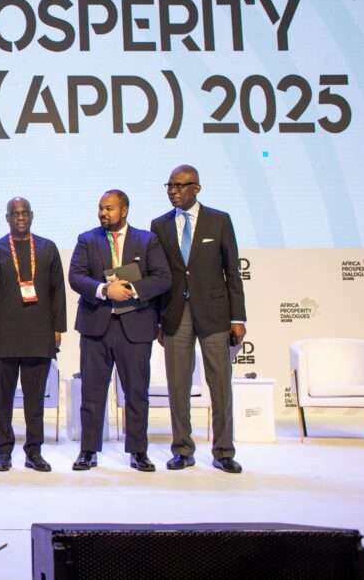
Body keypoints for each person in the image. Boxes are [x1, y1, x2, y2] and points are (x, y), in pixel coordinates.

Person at [150, 165, 247, 474]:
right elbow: (157, 276)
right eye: (170, 186)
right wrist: (156, 319)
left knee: (220, 385)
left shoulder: (219, 221)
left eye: (180, 186)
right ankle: (182, 449)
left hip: (215, 314)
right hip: (175, 314)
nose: (173, 191)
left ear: (197, 188)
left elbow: (232, 271)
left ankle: (223, 451)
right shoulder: (159, 225)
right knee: (178, 386)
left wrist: (237, 317)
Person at [68, 190, 170, 472]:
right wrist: (104, 290)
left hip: (135, 326)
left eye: (109, 208)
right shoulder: (87, 239)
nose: (103, 213)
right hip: (96, 326)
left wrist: (132, 290)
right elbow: (75, 276)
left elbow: (163, 277)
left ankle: (138, 451)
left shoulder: (147, 240)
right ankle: (88, 450)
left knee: (136, 393)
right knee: (92, 392)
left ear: (124, 210)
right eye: (101, 208)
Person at [0, 197, 66, 473]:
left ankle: (34, 452)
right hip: (3, 335)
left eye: (24, 213)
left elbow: (57, 292)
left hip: (39, 335)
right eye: (14, 214)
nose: (20, 217)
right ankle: (3, 452)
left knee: (34, 399)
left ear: (32, 215)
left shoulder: (48, 248)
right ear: (7, 218)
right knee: (2, 399)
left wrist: (57, 329)